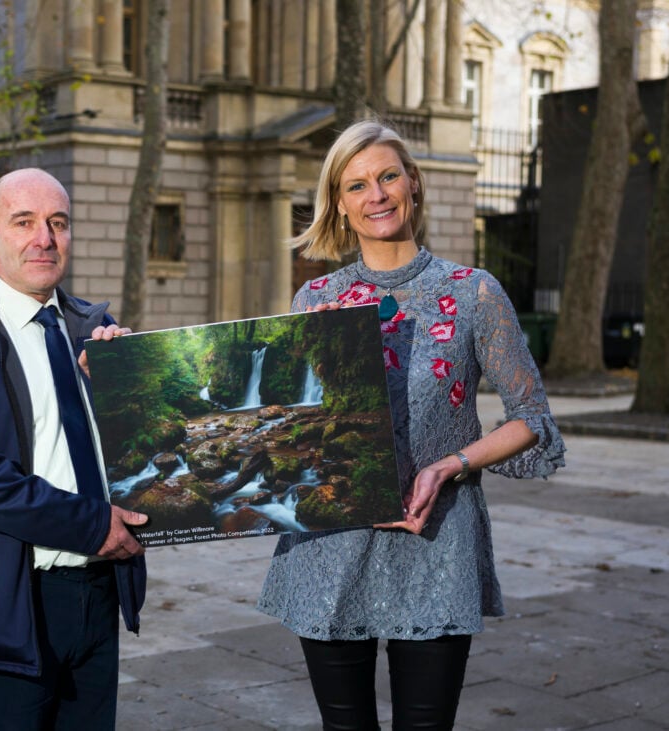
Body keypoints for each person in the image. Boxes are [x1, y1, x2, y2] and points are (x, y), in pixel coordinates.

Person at [257, 120, 566, 730]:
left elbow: (531, 419)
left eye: (388, 176)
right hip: (330, 551)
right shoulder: (315, 299)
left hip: (438, 544)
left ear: (414, 184)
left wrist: (451, 464)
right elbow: (285, 429)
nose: (376, 195)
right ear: (340, 207)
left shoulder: (473, 292)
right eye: (356, 186)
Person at [0, 167, 148, 730]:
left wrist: (136, 383)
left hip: (95, 593)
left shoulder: (94, 328)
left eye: (57, 223)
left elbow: (147, 455)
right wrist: (90, 524)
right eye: (25, 222)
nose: (44, 238)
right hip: (0, 602)